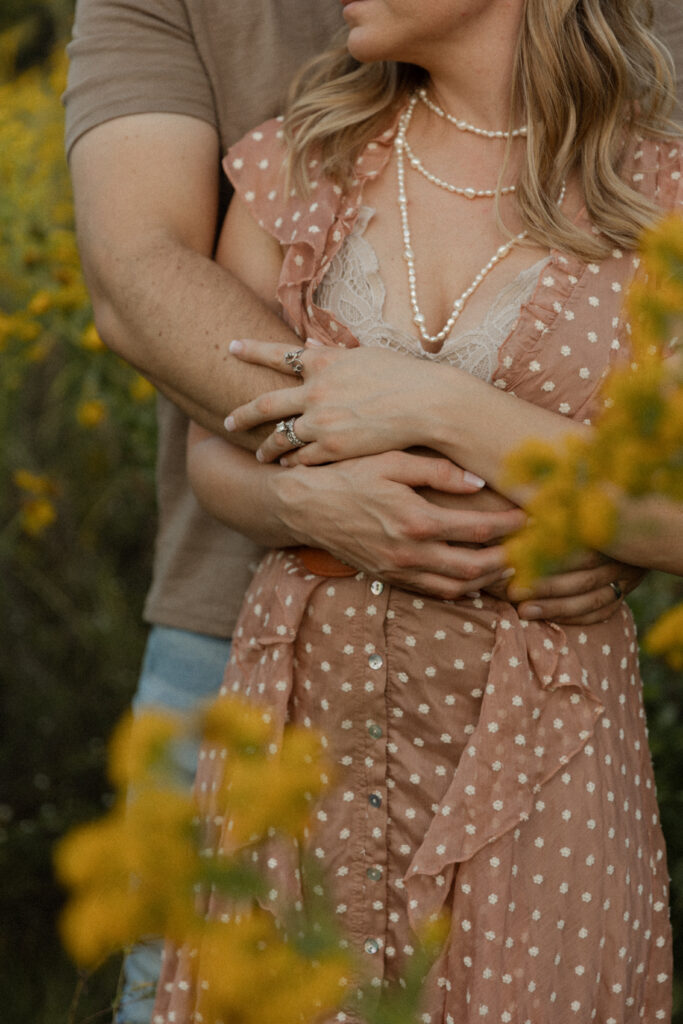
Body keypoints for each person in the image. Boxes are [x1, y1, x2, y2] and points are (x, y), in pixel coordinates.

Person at [64, 1, 664, 1019]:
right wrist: (305, 488)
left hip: (537, 722)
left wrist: (466, 425)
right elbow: (136, 278)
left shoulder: (653, 189)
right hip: (272, 674)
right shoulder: (307, 163)